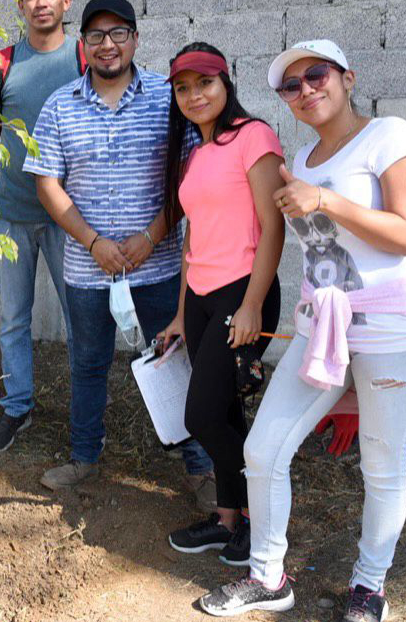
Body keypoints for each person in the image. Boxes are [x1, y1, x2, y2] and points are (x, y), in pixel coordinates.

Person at [197, 40, 406, 621]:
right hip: (326, 327)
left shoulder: (391, 135)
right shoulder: (305, 157)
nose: (305, 90)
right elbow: (323, 253)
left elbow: (405, 233)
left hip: (394, 327)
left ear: (347, 77)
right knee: (263, 450)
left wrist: (325, 200)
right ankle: (268, 578)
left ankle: (369, 588)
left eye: (316, 76)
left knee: (381, 465)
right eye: (290, 86)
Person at [24, 0, 215, 497]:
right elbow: (48, 183)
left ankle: (199, 466)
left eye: (118, 34)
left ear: (135, 38)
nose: (107, 45)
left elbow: (190, 178)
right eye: (95, 36)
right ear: (82, 45)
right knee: (87, 363)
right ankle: (84, 455)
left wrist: (152, 236)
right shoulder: (61, 105)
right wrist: (91, 243)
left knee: (175, 360)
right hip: (89, 271)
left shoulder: (166, 97)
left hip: (159, 266)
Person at [158, 43, 285, 567]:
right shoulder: (195, 154)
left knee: (204, 415)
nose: (195, 95)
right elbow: (193, 240)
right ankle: (228, 520)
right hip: (205, 299)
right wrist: (182, 313)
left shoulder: (253, 137)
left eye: (204, 83)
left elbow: (275, 225)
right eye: (183, 88)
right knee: (226, 411)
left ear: (226, 83)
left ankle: (259, 519)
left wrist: (253, 304)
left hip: (243, 294)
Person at [0, 0, 87, 454]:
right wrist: (1, 186)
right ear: (20, 5)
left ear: (66, 3)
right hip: (12, 217)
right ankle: (17, 407)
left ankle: (84, 412)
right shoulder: (2, 64)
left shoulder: (85, 58)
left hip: (71, 220)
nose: (41, 1)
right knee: (13, 319)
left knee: (79, 317)